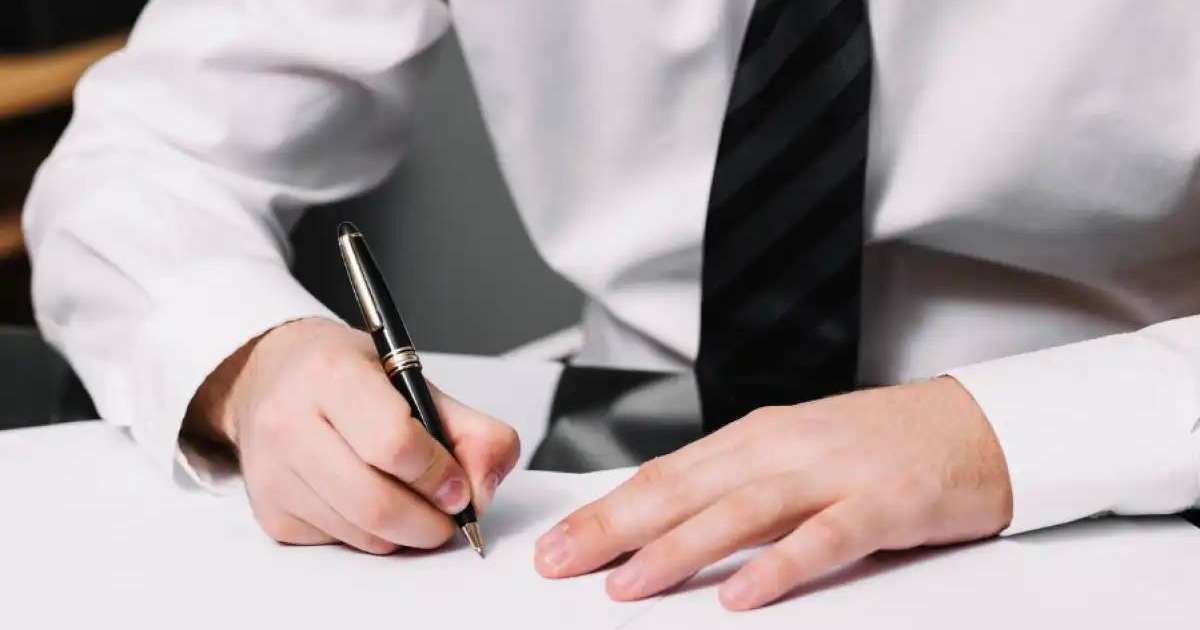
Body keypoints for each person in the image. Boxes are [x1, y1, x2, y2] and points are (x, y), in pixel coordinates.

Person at [23, 0, 1200, 612]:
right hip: (622, 443)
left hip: (1114, 460)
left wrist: (998, 435)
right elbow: (147, 154)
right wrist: (252, 357)